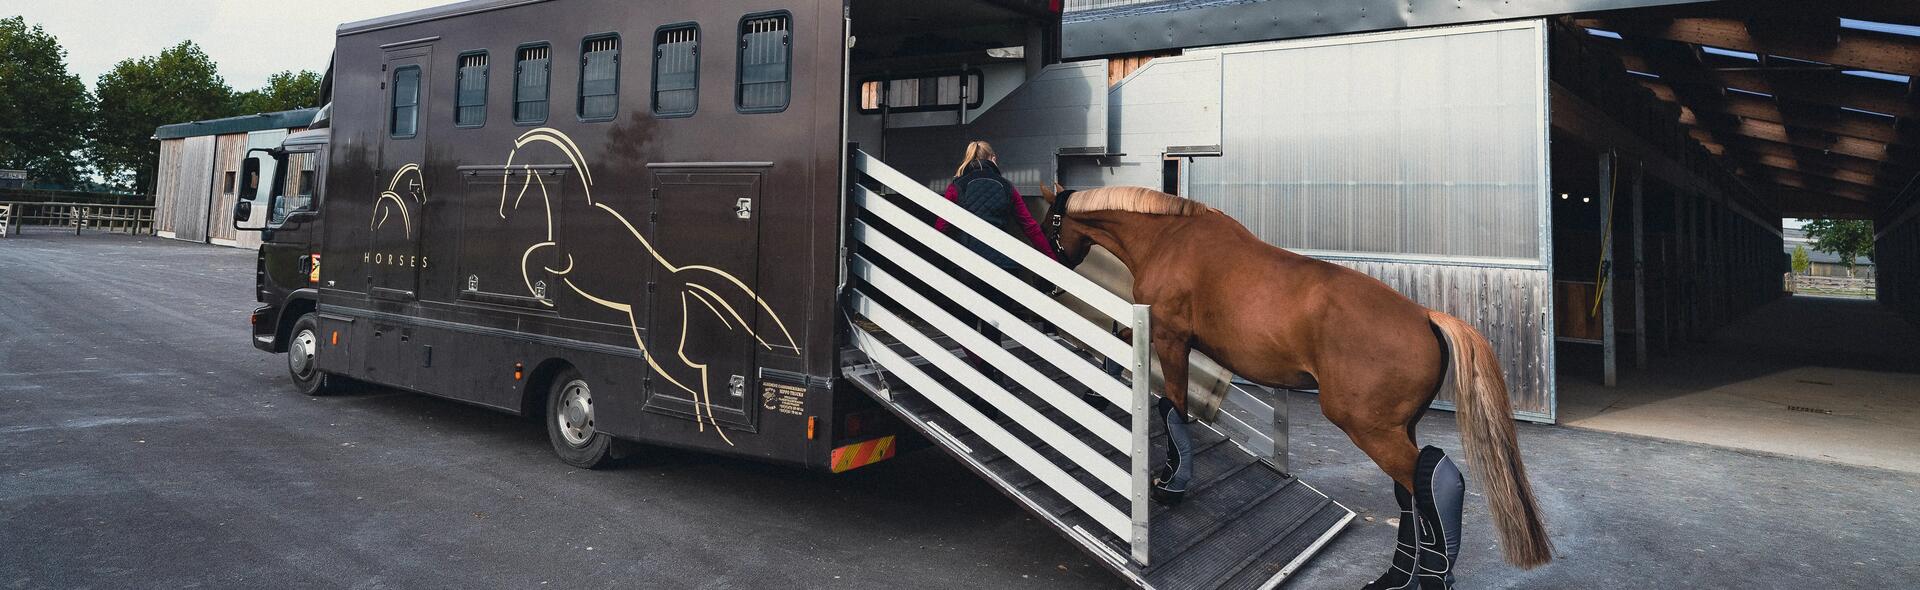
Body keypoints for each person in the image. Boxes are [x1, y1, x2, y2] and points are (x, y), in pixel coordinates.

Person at [935, 141, 1057, 394]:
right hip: (1002, 270)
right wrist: (1052, 262)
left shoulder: (957, 187)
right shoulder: (1007, 187)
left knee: (964, 328)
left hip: (969, 269)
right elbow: (1030, 227)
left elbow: (941, 227)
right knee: (993, 330)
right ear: (993, 158)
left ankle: (986, 378)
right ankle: (994, 378)